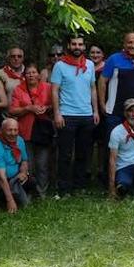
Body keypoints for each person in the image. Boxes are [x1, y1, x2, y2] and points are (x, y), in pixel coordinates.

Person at [49, 35, 100, 195]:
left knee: (82, 153)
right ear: (69, 46)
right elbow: (54, 90)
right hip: (67, 115)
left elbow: (93, 88)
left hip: (86, 115)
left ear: (84, 47)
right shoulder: (60, 65)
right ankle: (63, 188)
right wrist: (57, 113)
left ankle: (79, 186)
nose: (77, 47)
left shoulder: (90, 65)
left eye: (80, 44)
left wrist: (96, 111)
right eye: (74, 44)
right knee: (65, 154)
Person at [8, 64, 55, 196]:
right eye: (28, 73)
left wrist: (47, 108)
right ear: (24, 76)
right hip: (26, 131)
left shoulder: (48, 87)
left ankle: (42, 193)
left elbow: (55, 104)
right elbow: (12, 110)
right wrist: (28, 108)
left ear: (39, 75)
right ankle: (27, 191)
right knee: (28, 164)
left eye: (34, 72)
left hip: (43, 131)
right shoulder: (19, 89)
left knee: (43, 164)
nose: (31, 75)